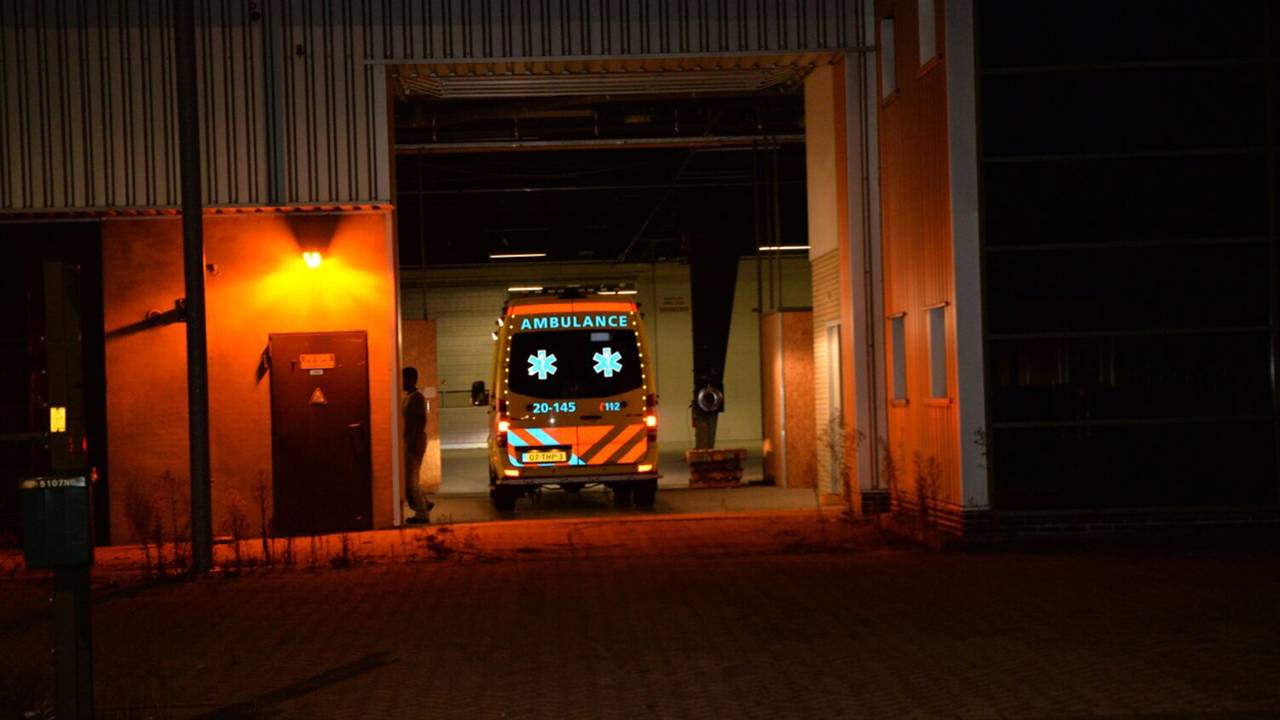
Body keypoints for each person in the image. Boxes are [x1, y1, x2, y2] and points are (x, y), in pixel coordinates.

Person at [402, 366, 433, 523]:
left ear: (411, 379)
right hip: (413, 441)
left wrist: (412, 441)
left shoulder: (417, 397)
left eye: (404, 378)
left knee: (411, 480)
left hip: (414, 442)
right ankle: (425, 504)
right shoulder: (411, 397)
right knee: (413, 478)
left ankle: (422, 513)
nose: (402, 382)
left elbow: (420, 421)